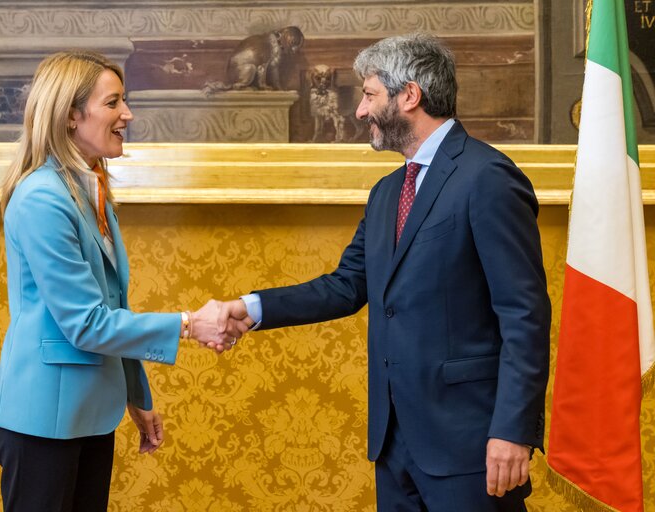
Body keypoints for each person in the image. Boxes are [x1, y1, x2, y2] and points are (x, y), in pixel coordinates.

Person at [217, 34, 551, 511]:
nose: (359, 111)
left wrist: (513, 431)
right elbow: (346, 285)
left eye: (369, 94)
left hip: (471, 446)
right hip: (394, 446)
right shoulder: (386, 192)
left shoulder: (487, 178)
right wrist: (250, 309)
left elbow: (524, 316)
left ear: (409, 96)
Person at [0, 50, 245, 512]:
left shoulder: (90, 190)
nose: (127, 114)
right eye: (113, 103)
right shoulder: (43, 199)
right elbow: (87, 324)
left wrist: (135, 394)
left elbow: (113, 305)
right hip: (43, 419)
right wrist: (189, 324)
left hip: (88, 415)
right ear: (70, 115)